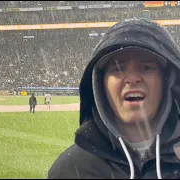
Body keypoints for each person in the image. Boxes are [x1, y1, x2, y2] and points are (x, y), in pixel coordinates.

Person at [48, 18, 180, 179]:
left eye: (146, 67)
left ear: (167, 81)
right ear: (100, 85)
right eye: (118, 69)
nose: (132, 79)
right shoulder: (70, 169)